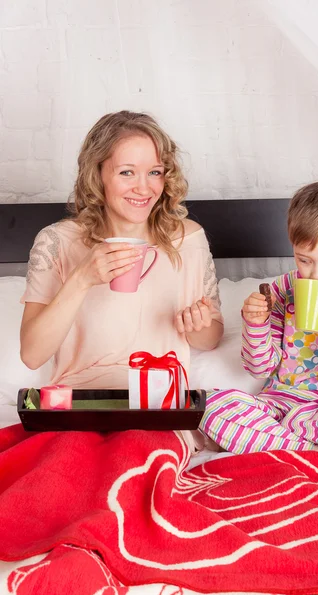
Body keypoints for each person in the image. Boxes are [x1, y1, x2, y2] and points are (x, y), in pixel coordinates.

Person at [20, 111, 223, 389]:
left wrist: (197, 326)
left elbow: (210, 339)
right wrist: (82, 279)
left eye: (155, 172)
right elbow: (32, 355)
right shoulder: (57, 241)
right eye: (126, 172)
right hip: (79, 402)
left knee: (140, 436)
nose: (144, 188)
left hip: (157, 401)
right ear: (97, 174)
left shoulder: (188, 238)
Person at [201, 181, 318, 452]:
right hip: (277, 404)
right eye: (304, 260)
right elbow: (260, 369)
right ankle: (313, 451)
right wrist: (255, 325)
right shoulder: (282, 289)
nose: (316, 274)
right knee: (207, 405)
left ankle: (275, 441)